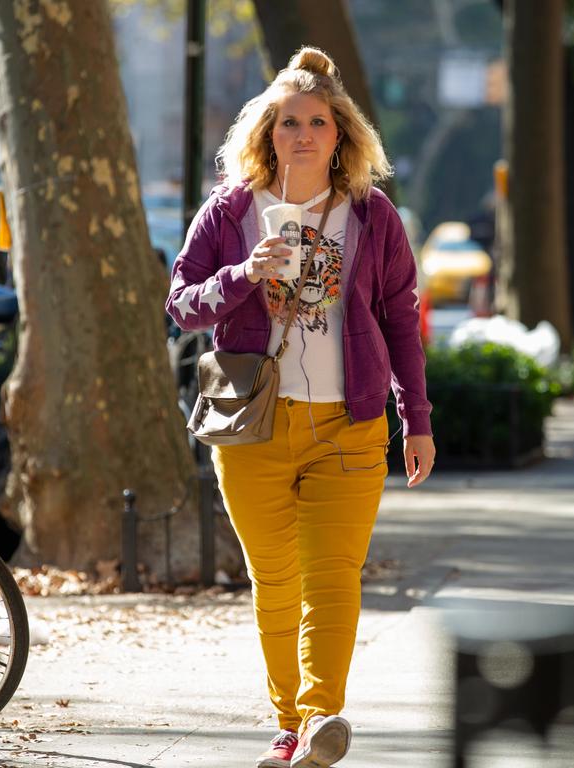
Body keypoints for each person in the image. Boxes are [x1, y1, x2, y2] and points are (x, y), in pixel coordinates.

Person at [166, 47, 435, 768]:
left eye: (319, 121)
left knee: (332, 578)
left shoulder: (373, 217)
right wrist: (241, 275)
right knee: (276, 580)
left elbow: (402, 316)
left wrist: (417, 418)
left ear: (341, 134)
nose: (305, 134)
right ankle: (288, 721)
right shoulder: (230, 212)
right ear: (268, 133)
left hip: (349, 424)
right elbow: (183, 305)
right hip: (253, 425)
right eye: (290, 122)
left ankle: (320, 718)